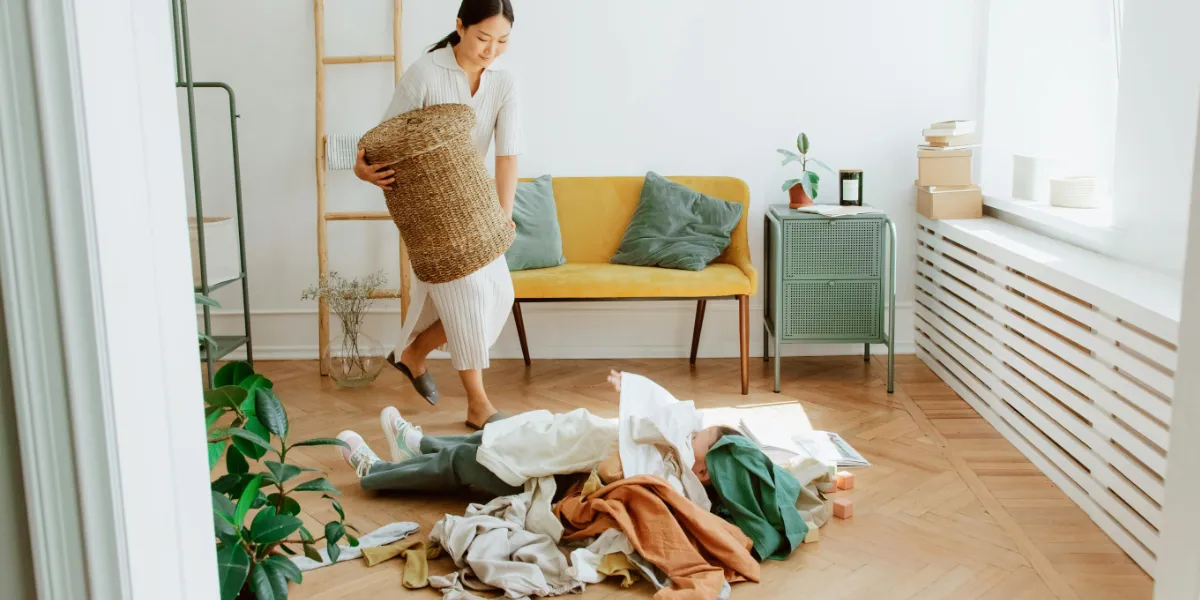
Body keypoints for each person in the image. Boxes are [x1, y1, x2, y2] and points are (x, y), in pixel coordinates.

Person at [354, 0, 522, 430]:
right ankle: (478, 404)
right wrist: (362, 168)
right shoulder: (426, 72)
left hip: (476, 204)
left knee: (499, 295)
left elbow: (507, 156)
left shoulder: (503, 83)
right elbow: (383, 138)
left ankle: (412, 353)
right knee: (465, 299)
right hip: (427, 205)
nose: (491, 49)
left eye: (502, 41)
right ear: (460, 27)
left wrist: (503, 219)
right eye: (483, 38)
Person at [336, 371, 741, 498]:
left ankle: (375, 472)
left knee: (465, 461)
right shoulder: (674, 449)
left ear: (703, 472)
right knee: (499, 428)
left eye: (696, 441)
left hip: (546, 473)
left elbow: (612, 473)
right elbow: (662, 413)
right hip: (557, 437)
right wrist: (632, 391)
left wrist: (614, 469)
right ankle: (417, 445)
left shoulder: (672, 485)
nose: (688, 437)